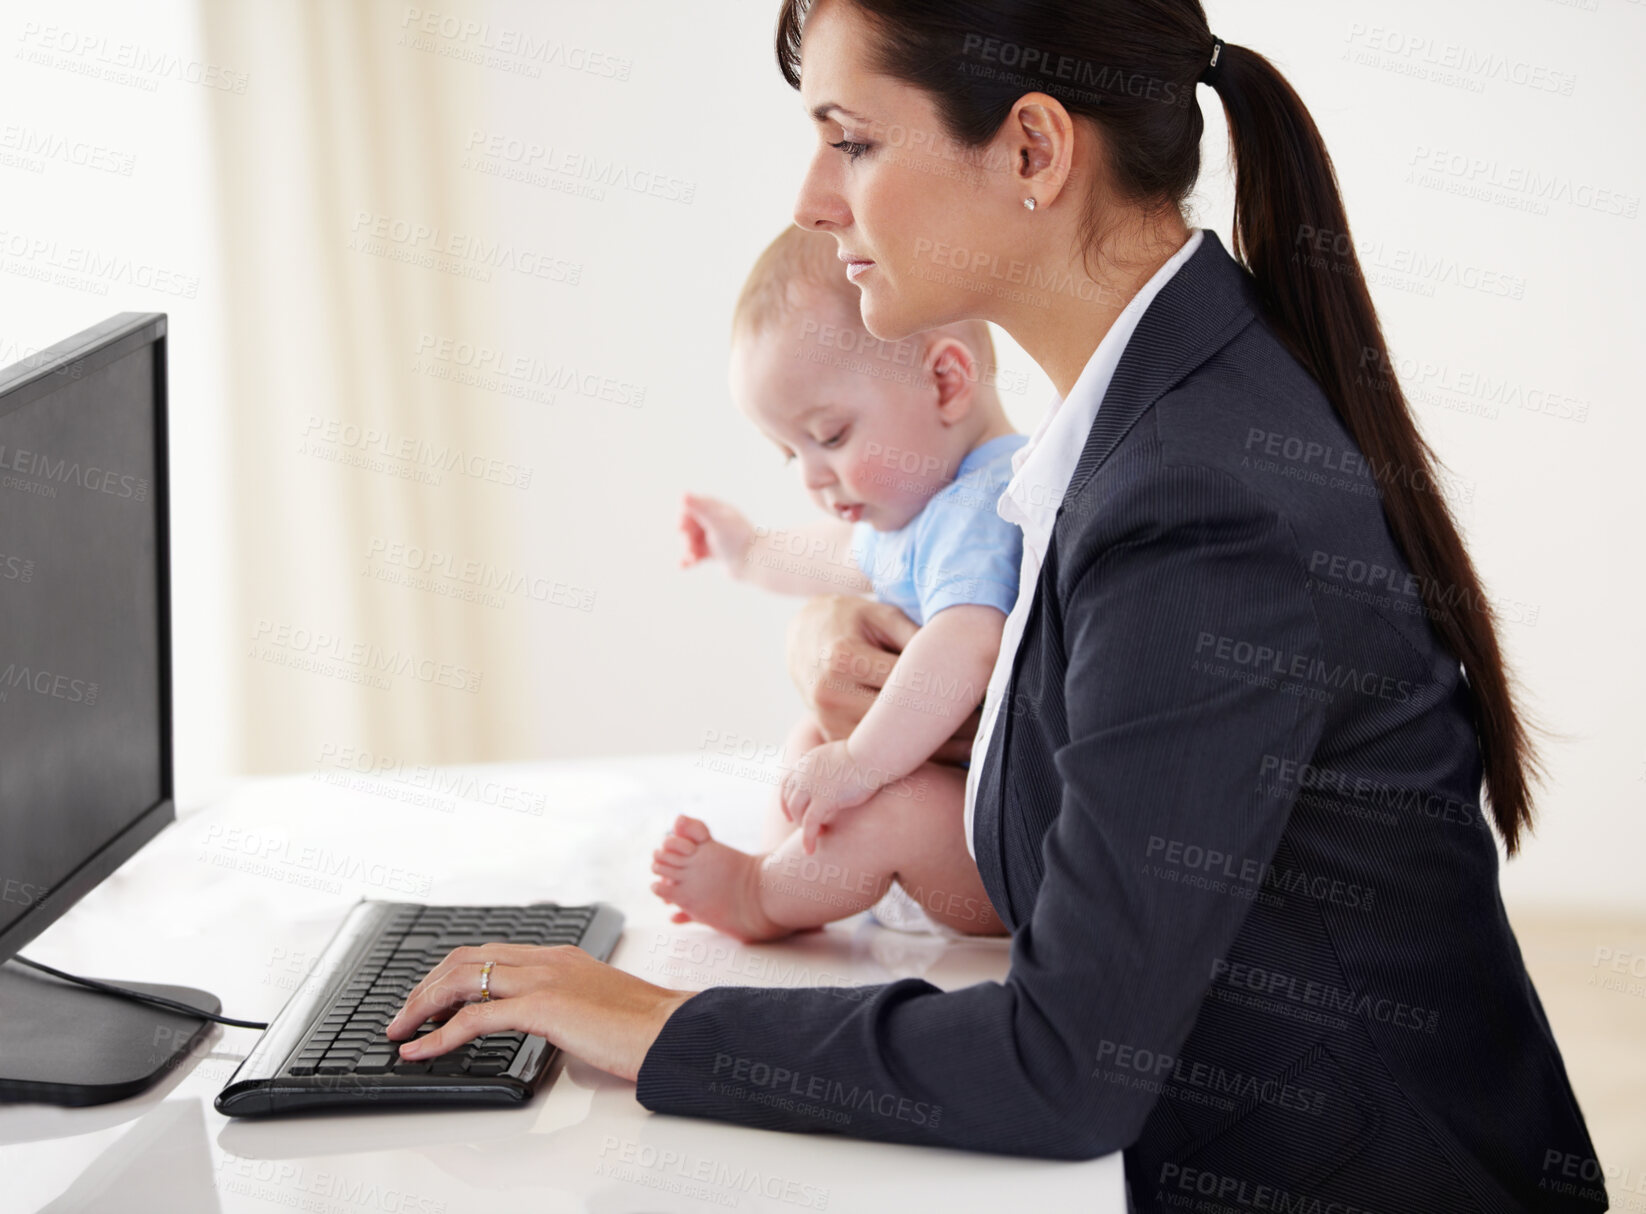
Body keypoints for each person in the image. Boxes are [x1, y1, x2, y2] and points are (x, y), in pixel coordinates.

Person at [387, 2, 1607, 1208]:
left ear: (1032, 149)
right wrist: (842, 639)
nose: (814, 198)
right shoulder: (1159, 403)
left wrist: (655, 1024)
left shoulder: (1195, 505)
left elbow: (1064, 1068)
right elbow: (1078, 721)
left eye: (850, 139)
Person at [656, 224, 1024, 942]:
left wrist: (859, 763)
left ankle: (762, 897)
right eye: (787, 452)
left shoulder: (984, 505)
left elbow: (969, 641)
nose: (812, 477)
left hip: (998, 850)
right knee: (809, 737)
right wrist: (750, 551)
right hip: (962, 827)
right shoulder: (926, 509)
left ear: (946, 381)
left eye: (828, 436)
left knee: (886, 801)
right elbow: (840, 555)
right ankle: (781, 871)